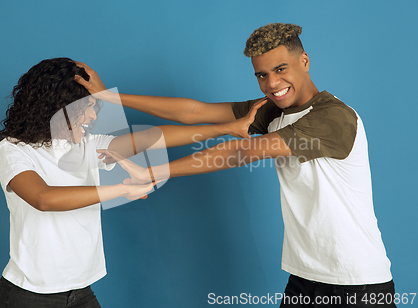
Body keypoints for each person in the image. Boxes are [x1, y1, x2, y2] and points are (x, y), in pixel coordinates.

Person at [75, 23, 396, 307]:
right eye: (262, 74)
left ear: (305, 61)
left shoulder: (332, 117)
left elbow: (243, 152)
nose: (272, 83)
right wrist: (109, 97)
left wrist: (154, 172)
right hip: (305, 276)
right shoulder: (274, 111)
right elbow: (194, 113)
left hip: (357, 284)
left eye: (281, 69)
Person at [0, 58, 254, 308]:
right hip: (29, 295)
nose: (93, 116)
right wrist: (122, 189)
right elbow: (44, 199)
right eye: (86, 107)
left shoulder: (86, 145)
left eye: (95, 107)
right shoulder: (14, 150)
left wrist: (226, 129)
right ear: (58, 106)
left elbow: (155, 136)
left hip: (80, 290)